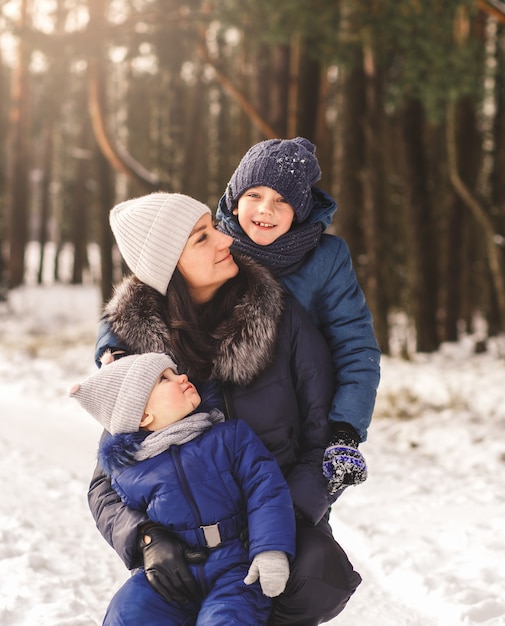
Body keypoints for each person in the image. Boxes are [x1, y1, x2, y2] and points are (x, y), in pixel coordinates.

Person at [89, 192, 361, 625]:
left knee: (318, 573)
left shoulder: (280, 317)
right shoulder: (136, 356)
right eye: (202, 238)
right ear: (168, 267)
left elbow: (322, 439)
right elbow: (106, 481)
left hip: (276, 513)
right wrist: (145, 539)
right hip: (187, 546)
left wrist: (275, 520)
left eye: (213, 227)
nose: (225, 240)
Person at [71, 351, 295, 625]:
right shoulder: (129, 471)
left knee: (226, 619)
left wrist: (270, 549)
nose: (182, 377)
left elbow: (266, 490)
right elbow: (118, 512)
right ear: (143, 415)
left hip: (234, 567)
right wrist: (146, 541)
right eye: (165, 379)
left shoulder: (229, 437)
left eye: (175, 371)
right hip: (172, 572)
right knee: (127, 612)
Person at [215, 136, 381, 494]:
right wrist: (115, 347)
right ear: (234, 199)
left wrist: (345, 430)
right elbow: (153, 295)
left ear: (301, 210)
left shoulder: (326, 259)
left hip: (297, 429)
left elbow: (356, 347)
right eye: (254, 195)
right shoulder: (211, 245)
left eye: (282, 200)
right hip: (217, 419)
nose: (265, 210)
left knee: (296, 535)